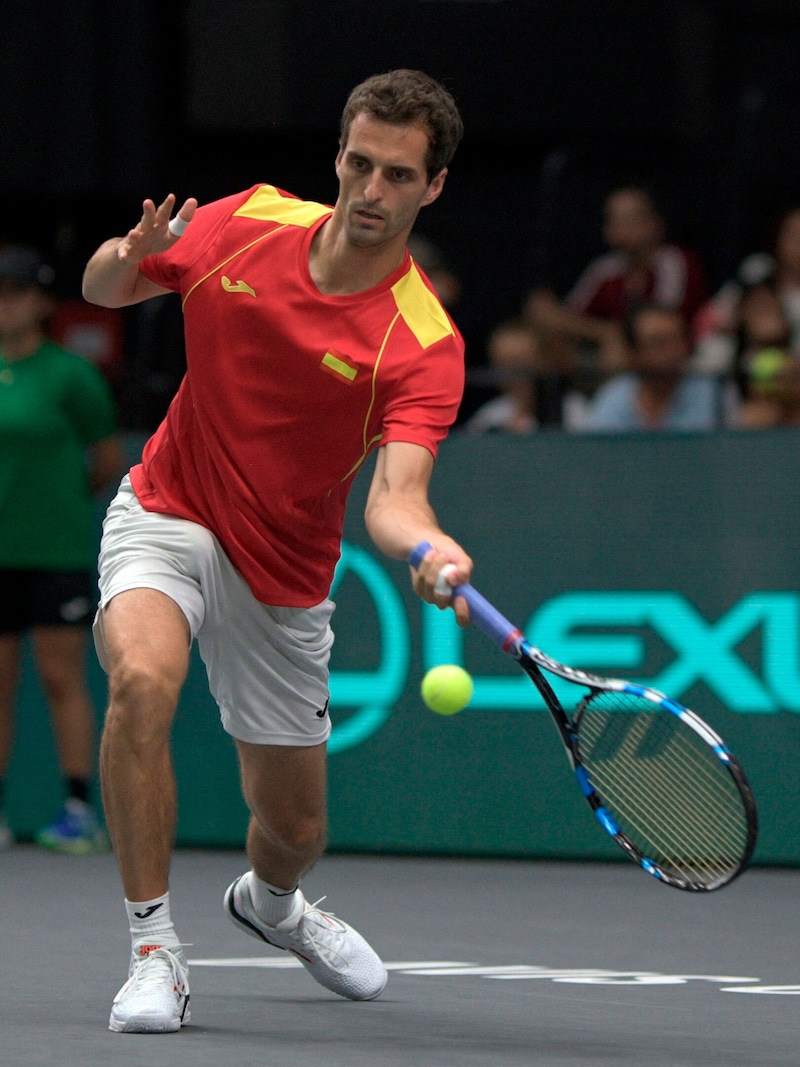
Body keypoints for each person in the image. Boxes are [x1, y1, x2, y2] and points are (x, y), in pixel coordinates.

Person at [81, 69, 474, 1035]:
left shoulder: (421, 342)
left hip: (285, 574)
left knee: (293, 830)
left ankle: (273, 904)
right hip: (170, 507)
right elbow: (106, 286)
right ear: (337, 157)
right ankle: (153, 949)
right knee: (141, 678)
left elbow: (397, 498)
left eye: (398, 175)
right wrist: (126, 257)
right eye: (361, 163)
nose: (371, 191)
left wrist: (429, 547)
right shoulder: (245, 221)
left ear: (434, 187)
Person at [0, 243, 124, 852]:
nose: (4, 305)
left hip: (56, 550)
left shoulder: (71, 375)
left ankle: (77, 808)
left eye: (15, 293)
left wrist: (56, 504)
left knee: (60, 679)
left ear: (42, 304)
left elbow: (105, 459)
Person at [525, 185, 708, 375]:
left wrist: (609, 334)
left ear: (656, 222)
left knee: (622, 346)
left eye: (631, 218)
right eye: (614, 219)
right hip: (613, 359)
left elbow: (661, 325)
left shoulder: (675, 262)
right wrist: (603, 332)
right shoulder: (605, 269)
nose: (621, 227)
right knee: (546, 341)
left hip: (677, 360)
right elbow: (567, 316)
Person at [580, 303, 739, 432]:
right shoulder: (612, 398)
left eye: (676, 340)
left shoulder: (715, 393)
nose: (670, 351)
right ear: (634, 352)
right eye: (657, 342)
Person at [462, 317, 586, 432]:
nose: (512, 373)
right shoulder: (490, 416)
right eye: (503, 364)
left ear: (543, 362)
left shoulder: (574, 409)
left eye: (520, 363)